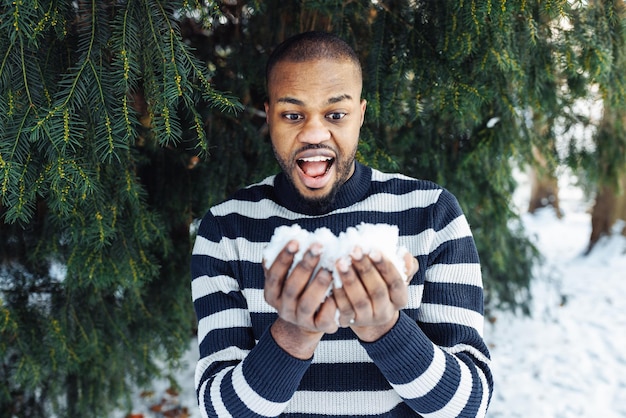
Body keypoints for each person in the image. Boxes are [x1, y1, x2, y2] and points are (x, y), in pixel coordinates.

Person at [191, 31, 493, 417]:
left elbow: (470, 405)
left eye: (336, 115)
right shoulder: (226, 229)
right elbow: (219, 410)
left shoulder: (431, 213)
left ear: (361, 115)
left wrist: (384, 328)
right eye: (293, 115)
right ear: (269, 116)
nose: (315, 133)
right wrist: (294, 334)